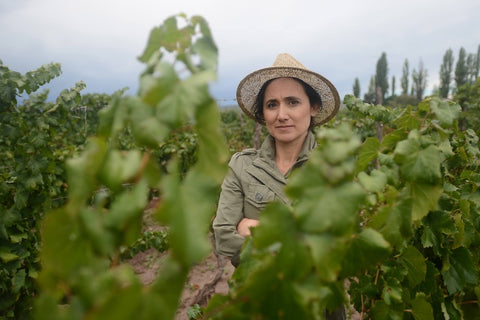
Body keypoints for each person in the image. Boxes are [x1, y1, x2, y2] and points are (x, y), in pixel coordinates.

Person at [212, 53, 343, 319]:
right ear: (264, 114)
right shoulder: (242, 166)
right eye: (272, 105)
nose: (281, 115)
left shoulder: (333, 168)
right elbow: (224, 236)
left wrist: (253, 228)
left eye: (292, 102)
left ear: (313, 107)